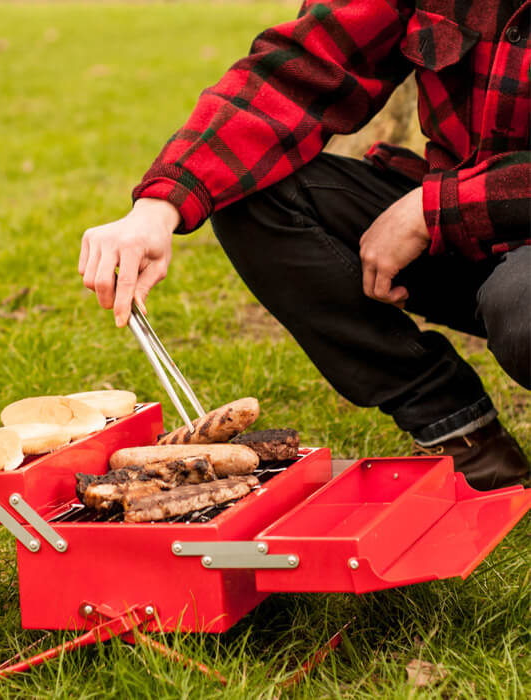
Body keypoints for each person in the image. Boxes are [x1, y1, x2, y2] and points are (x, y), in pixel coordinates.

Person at [78, 0, 530, 491]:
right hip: (470, 242)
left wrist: (439, 207)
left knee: (521, 304)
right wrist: (159, 206)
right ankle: (464, 435)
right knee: (254, 191)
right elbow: (300, 69)